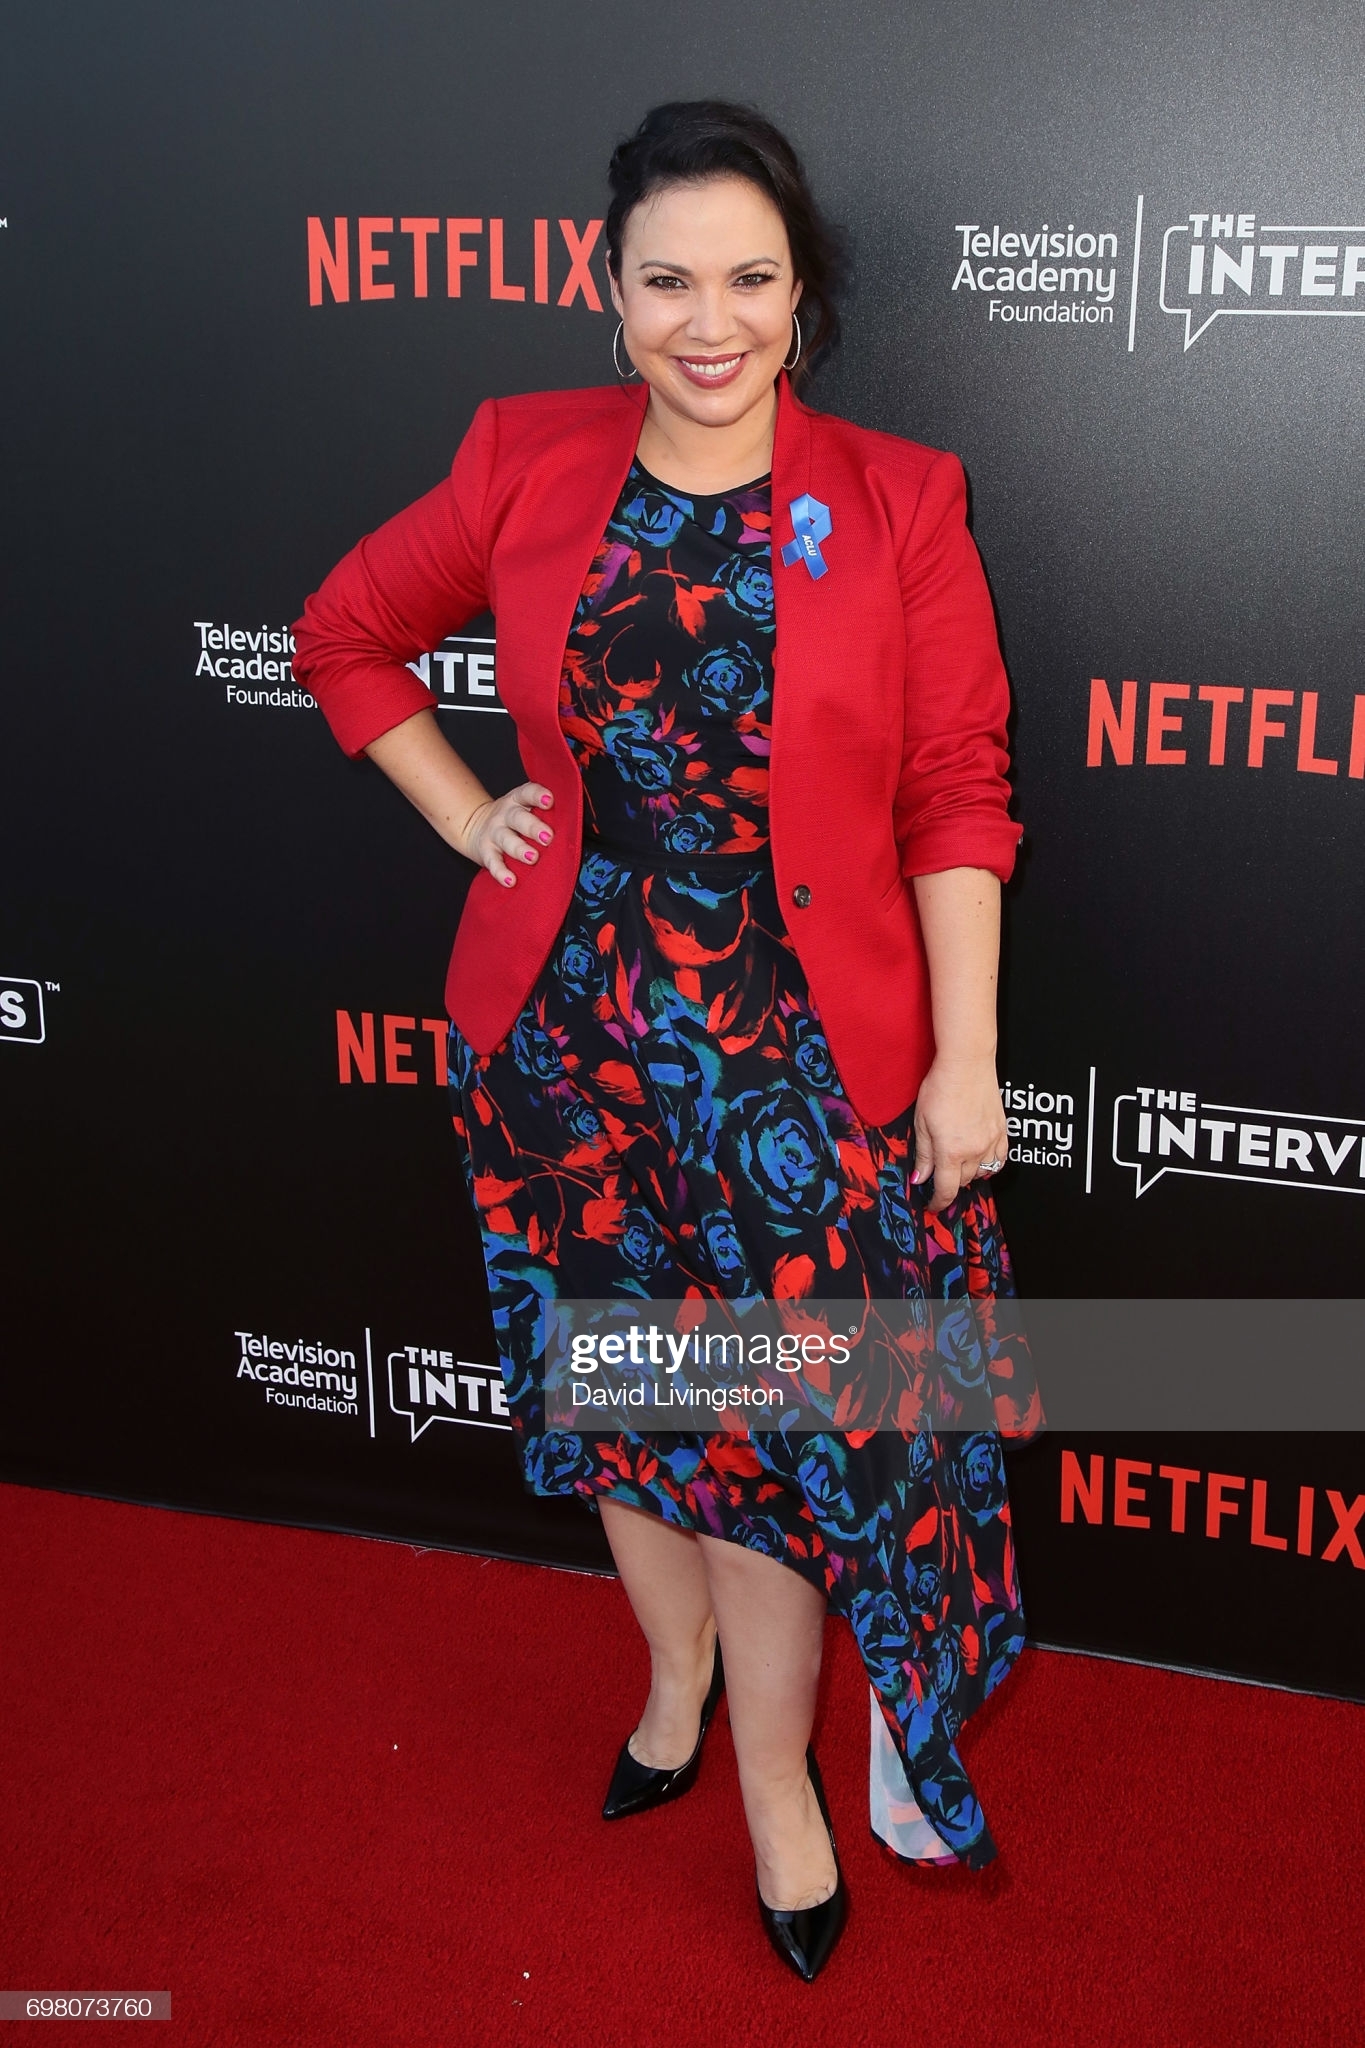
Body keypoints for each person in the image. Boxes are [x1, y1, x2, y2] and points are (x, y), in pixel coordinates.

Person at [293, 99, 1039, 1984]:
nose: (711, 324)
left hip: (795, 1060)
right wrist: (469, 814)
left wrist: (963, 1058)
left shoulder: (897, 497)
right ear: (603, 284)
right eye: (668, 281)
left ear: (802, 295)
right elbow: (346, 635)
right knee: (623, 1402)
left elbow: (956, 788)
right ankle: (673, 1670)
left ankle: (778, 1782)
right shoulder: (522, 458)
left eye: (751, 280)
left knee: (772, 1443)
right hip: (570, 1037)